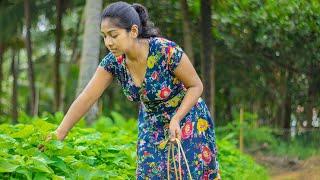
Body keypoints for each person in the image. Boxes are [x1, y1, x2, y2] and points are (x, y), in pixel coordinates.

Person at [41, 1, 221, 179]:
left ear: (133, 31)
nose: (108, 42)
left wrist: (177, 117)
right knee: (149, 175)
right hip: (152, 125)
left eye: (114, 35)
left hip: (188, 118)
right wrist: (60, 132)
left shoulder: (165, 50)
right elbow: (87, 97)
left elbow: (196, 85)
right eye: (104, 36)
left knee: (189, 173)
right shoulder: (113, 62)